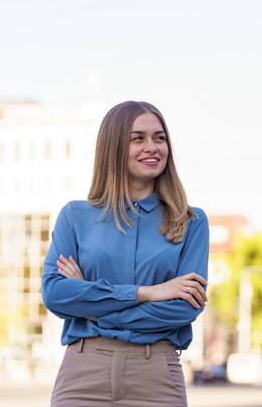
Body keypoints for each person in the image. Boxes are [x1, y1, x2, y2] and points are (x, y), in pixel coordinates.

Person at [41, 100, 209, 407]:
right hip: (83, 377)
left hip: (156, 379)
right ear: (114, 146)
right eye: (138, 138)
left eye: (160, 138)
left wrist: (90, 307)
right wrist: (149, 292)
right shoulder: (75, 217)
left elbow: (185, 309)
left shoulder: (192, 222)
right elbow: (56, 295)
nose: (152, 147)